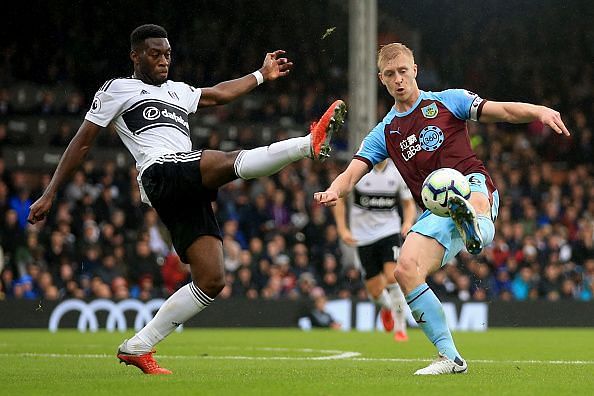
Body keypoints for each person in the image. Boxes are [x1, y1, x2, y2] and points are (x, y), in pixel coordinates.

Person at [27, 24, 347, 375]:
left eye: (167, 54)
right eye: (154, 54)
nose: (164, 60)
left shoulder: (177, 91)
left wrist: (261, 74)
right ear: (135, 56)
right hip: (159, 171)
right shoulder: (119, 89)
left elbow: (219, 95)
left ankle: (138, 346)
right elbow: (83, 140)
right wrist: (50, 192)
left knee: (211, 279)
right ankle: (306, 144)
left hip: (183, 180)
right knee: (225, 160)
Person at [314, 43, 569, 375]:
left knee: (471, 195)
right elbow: (352, 172)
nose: (398, 79)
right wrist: (333, 190)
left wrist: (538, 111)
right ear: (381, 79)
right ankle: (451, 357)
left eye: (403, 71)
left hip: (472, 183)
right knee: (405, 270)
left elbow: (502, 111)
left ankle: (476, 228)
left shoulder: (448, 100)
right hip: (435, 210)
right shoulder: (385, 133)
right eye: (390, 75)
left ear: (415, 70)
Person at [331, 158, 416, 342]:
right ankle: (387, 307)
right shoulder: (358, 171)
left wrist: (408, 222)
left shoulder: (397, 172)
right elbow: (339, 197)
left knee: (393, 276)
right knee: (375, 291)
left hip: (389, 231)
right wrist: (342, 228)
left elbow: (408, 204)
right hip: (363, 236)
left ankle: (401, 328)